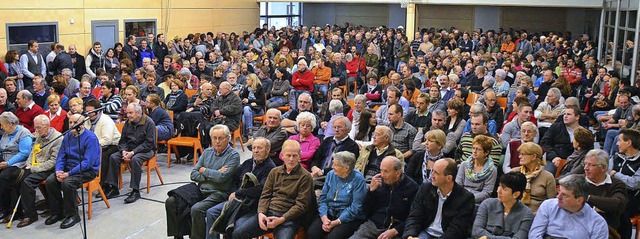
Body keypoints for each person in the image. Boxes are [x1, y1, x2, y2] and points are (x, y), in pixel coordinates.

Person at [165, 124, 240, 239]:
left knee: (197, 209)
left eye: (221, 138)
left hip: (219, 193)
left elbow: (222, 178)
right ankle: (178, 235)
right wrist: (214, 172)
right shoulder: (207, 152)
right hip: (200, 189)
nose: (217, 141)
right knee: (171, 201)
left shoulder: (233, 155)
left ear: (228, 138)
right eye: (214, 138)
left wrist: (204, 170)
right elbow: (194, 175)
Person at [232, 140, 314, 239]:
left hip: (288, 218)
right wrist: (261, 213)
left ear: (299, 157)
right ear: (282, 156)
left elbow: (301, 205)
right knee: (237, 233)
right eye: (288, 155)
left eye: (294, 156)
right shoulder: (274, 172)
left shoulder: (305, 176)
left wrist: (282, 219)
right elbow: (265, 195)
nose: (291, 159)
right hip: (268, 213)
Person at [205, 137, 276, 239]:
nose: (255, 151)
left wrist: (238, 193)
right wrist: (234, 193)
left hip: (251, 205)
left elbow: (261, 190)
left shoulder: (270, 168)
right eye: (254, 147)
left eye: (259, 148)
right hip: (237, 200)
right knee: (211, 213)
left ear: (267, 149)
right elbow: (235, 180)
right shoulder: (247, 163)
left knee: (235, 225)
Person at [44, 114, 100, 229]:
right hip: (68, 169)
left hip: (87, 170)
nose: (72, 125)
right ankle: (57, 212)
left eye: (75, 123)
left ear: (82, 124)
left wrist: (68, 174)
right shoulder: (67, 136)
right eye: (70, 122)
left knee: (67, 183)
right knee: (50, 180)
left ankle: (73, 215)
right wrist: (58, 171)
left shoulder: (91, 138)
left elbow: (87, 163)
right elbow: (61, 156)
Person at [403, 158, 476, 239]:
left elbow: (456, 230)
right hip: (425, 232)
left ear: (448, 178)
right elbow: (414, 215)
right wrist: (410, 236)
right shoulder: (426, 188)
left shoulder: (465, 198)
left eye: (436, 173)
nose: (431, 176)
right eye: (432, 171)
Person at [348, 156, 419, 239]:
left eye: (386, 171)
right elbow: (365, 211)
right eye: (381, 170)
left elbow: (413, 217)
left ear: (398, 173)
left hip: (396, 229)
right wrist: (371, 192)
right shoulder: (378, 183)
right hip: (374, 225)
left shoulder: (412, 187)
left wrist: (396, 230)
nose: (382, 175)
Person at [103, 103, 156, 204]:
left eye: (131, 113)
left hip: (146, 150)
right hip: (129, 149)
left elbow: (149, 143)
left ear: (138, 113)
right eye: (127, 113)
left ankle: (135, 191)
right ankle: (114, 187)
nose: (128, 115)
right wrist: (123, 151)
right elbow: (122, 141)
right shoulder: (128, 123)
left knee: (135, 160)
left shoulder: (149, 123)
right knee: (113, 157)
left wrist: (133, 153)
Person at [15, 115, 63, 228]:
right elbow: (32, 152)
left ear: (46, 126)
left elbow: (53, 162)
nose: (36, 131)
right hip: (35, 166)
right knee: (18, 176)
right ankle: (17, 210)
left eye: (38, 128)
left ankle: (30, 215)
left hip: (49, 169)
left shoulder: (58, 138)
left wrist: (33, 169)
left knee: (27, 182)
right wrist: (28, 164)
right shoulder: (40, 136)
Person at [307, 151, 367, 239]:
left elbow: (356, 207)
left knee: (334, 237)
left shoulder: (358, 179)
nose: (332, 167)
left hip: (348, 217)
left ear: (346, 168)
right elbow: (323, 198)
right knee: (312, 233)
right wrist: (324, 218)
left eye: (336, 165)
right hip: (329, 213)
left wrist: (336, 222)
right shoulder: (331, 174)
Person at [529, 174, 609, 239]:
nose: (558, 197)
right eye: (559, 191)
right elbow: (534, 235)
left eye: (564, 195)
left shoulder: (597, 223)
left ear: (579, 200)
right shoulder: (548, 206)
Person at [582, 149, 629, 238]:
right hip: (577, 226)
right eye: (585, 164)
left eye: (591, 165)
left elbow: (618, 204)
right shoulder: (577, 181)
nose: (586, 168)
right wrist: (598, 207)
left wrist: (587, 198)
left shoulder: (616, 184)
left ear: (603, 168)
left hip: (606, 228)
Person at [471, 172, 534, 238]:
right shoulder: (487, 204)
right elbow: (476, 231)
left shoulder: (526, 214)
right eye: (499, 186)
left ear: (516, 194)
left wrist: (488, 237)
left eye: (504, 189)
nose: (498, 191)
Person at [0, 112, 33, 222]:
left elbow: (24, 153)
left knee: (4, 177)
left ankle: (7, 209)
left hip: (18, 164)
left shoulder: (24, 133)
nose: (1, 127)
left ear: (10, 124)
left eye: (2, 125)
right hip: (5, 161)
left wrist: (8, 163)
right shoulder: (6, 133)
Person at [83, 99, 120, 188]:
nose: (88, 114)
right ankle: (88, 180)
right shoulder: (86, 120)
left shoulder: (105, 120)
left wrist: (91, 146)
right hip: (95, 146)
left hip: (113, 144)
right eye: (87, 112)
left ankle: (102, 184)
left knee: (104, 156)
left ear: (98, 111)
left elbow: (107, 140)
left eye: (91, 112)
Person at [510, 142, 556, 213]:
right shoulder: (514, 172)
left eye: (523, 154)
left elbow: (551, 203)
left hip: (538, 215)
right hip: (515, 212)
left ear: (534, 157)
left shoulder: (548, 177)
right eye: (520, 154)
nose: (519, 157)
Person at [456, 135, 498, 204]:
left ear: (486, 152)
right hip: (461, 197)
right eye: (473, 148)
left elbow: (487, 192)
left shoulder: (492, 169)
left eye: (478, 149)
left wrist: (469, 199)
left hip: (478, 202)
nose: (474, 151)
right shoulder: (464, 164)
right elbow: (458, 185)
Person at [540, 105, 582, 174]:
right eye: (564, 114)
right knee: (547, 174)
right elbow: (544, 143)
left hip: (576, 161)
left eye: (569, 114)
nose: (565, 116)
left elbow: (587, 150)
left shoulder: (584, 132)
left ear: (577, 117)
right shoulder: (555, 127)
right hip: (555, 159)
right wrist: (554, 157)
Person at [609, 128, 640, 217]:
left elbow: (634, 184)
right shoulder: (616, 157)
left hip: (630, 200)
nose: (617, 144)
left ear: (629, 143)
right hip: (611, 195)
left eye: (619, 140)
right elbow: (605, 174)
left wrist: (615, 174)